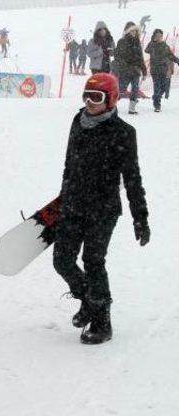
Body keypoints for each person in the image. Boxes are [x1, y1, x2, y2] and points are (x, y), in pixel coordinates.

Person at [53, 73, 149, 345]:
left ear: (112, 100)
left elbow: (132, 178)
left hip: (103, 209)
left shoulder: (124, 133)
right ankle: (89, 300)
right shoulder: (78, 122)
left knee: (93, 261)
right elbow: (69, 165)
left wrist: (140, 218)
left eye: (96, 97)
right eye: (86, 96)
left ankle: (102, 320)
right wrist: (63, 199)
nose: (89, 102)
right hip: (73, 204)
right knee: (62, 260)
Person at [114, 22, 147, 115]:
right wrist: (123, 66)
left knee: (135, 89)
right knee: (121, 89)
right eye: (132, 30)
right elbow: (117, 56)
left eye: (135, 31)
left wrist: (144, 71)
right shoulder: (122, 41)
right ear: (127, 31)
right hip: (125, 71)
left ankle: (132, 108)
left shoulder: (137, 43)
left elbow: (141, 58)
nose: (134, 32)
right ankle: (112, 104)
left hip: (136, 70)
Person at [145, 29, 179, 112]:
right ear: (154, 36)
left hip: (163, 70)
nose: (159, 37)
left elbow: (171, 55)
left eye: (160, 36)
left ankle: (156, 97)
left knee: (163, 88)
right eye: (157, 36)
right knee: (157, 87)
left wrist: (178, 61)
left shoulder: (165, 45)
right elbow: (146, 50)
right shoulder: (152, 44)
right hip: (155, 70)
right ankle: (157, 105)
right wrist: (153, 41)